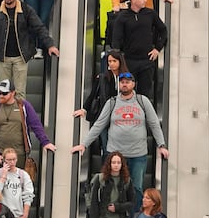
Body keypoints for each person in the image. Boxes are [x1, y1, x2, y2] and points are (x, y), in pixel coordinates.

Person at [71, 73, 169, 209]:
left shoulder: (143, 101)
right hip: (116, 156)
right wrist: (83, 144)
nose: (124, 84)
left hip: (137, 155)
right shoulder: (112, 103)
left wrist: (161, 145)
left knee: (136, 189)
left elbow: (154, 123)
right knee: (114, 189)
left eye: (128, 81)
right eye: (122, 81)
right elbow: (99, 124)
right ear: (118, 84)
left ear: (133, 84)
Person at [0, 79, 56, 169]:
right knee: (2, 181)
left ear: (13, 93)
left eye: (4, 93)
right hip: (2, 155)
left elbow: (36, 125)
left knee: (19, 181)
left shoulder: (23, 106)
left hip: (20, 155)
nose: (1, 96)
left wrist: (45, 142)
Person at [111, 0, 168, 99]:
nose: (145, 0)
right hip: (129, 61)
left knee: (145, 94)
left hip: (146, 60)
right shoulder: (122, 17)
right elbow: (116, 39)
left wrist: (157, 49)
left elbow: (163, 30)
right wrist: (118, 59)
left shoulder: (150, 14)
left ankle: (143, 115)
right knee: (126, 91)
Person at [73, 50, 127, 157]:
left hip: (122, 118)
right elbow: (93, 94)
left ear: (120, 62)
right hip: (104, 117)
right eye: (109, 61)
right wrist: (84, 109)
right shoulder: (103, 78)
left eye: (114, 61)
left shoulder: (127, 78)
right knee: (107, 148)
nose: (111, 63)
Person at [0, 147, 36, 218]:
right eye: (9, 160)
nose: (12, 162)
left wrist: (25, 216)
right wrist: (3, 176)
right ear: (4, 160)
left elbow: (28, 196)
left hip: (17, 216)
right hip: (0, 216)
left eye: (14, 159)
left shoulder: (23, 175)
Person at [89, 151, 135, 218]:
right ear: (109, 164)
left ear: (122, 165)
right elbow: (93, 202)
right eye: (113, 162)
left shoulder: (127, 180)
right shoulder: (100, 178)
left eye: (118, 162)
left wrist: (117, 207)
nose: (116, 165)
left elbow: (132, 202)